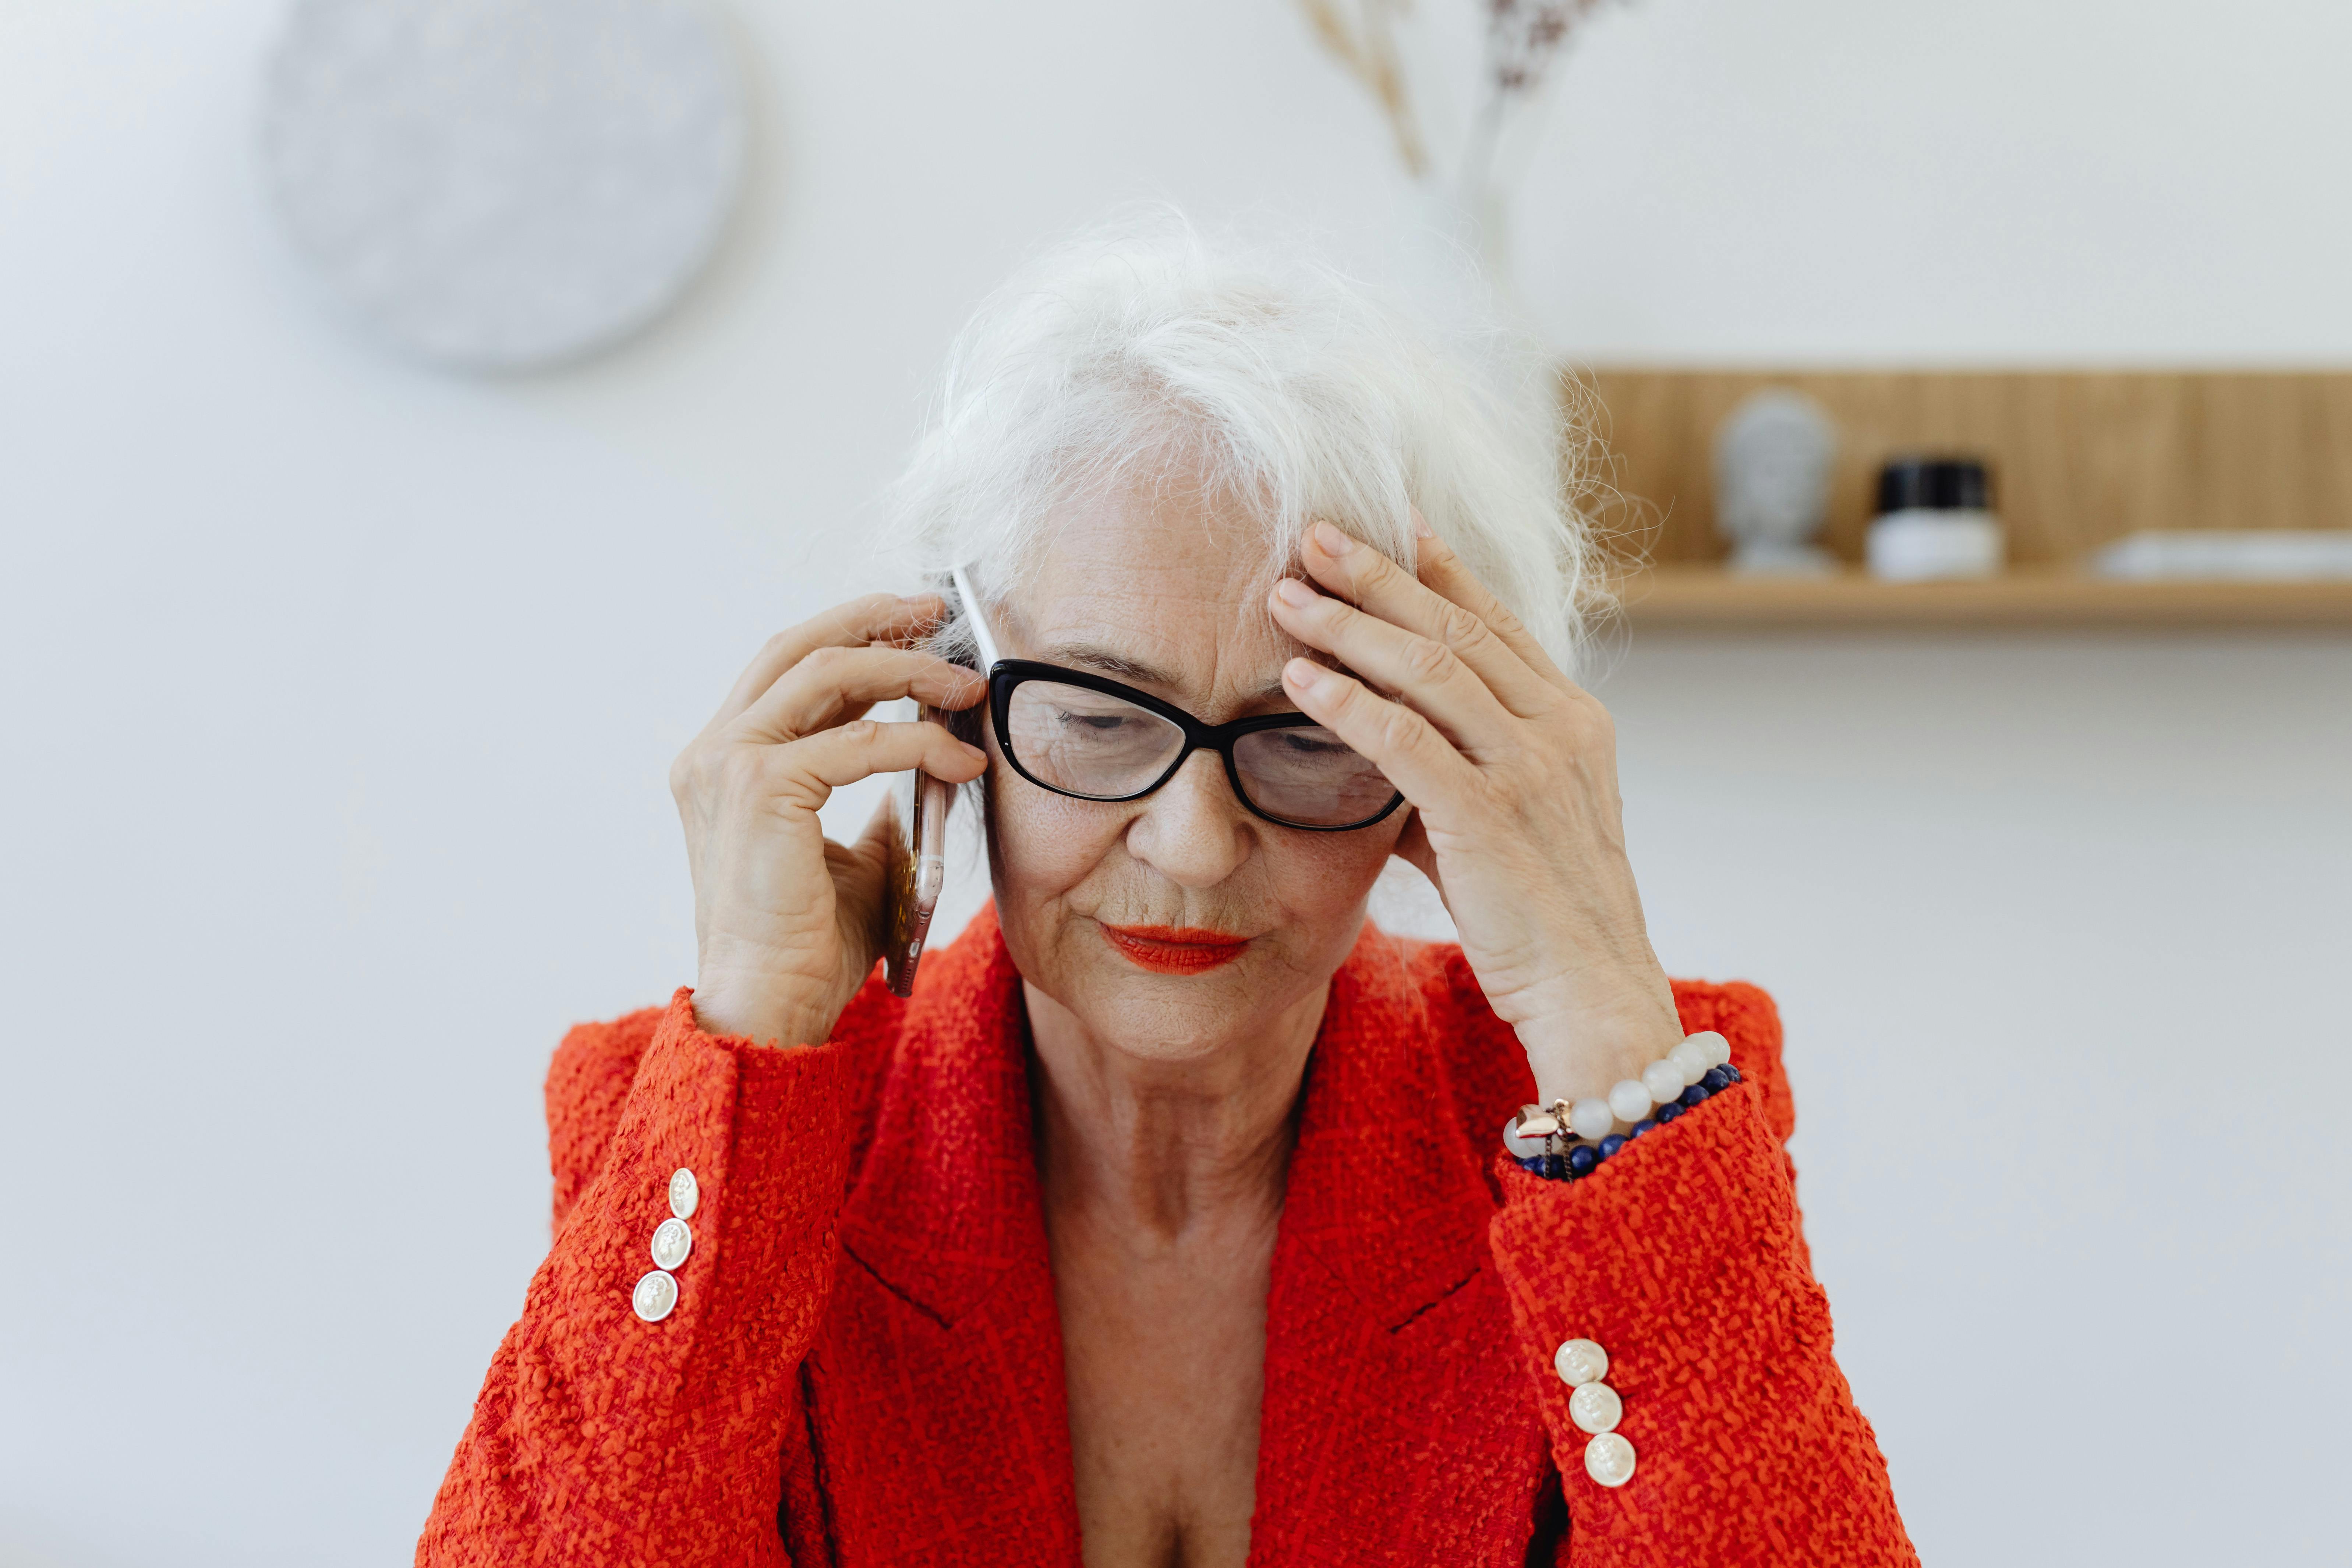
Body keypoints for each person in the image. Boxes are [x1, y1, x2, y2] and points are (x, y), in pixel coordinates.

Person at [417, 219, 1916, 1567]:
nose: (1192, 845)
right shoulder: (698, 1127)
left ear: (1450, 756)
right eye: (1095, 715)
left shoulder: (1607, 1120)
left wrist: (1597, 1010)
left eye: (1309, 734)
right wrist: (750, 1020)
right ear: (952, 711)